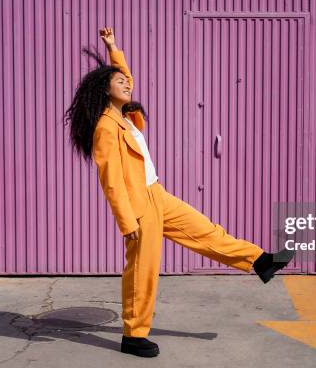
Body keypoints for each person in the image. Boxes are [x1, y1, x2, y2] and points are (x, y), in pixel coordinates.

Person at [64, 26, 294, 358]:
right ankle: (134, 334)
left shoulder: (124, 117)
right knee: (143, 271)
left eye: (126, 81)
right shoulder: (105, 127)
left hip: (158, 194)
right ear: (104, 90)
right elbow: (111, 181)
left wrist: (114, 48)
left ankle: (259, 261)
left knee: (206, 230)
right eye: (119, 82)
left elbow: (124, 76)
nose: (127, 83)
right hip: (139, 206)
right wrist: (127, 223)